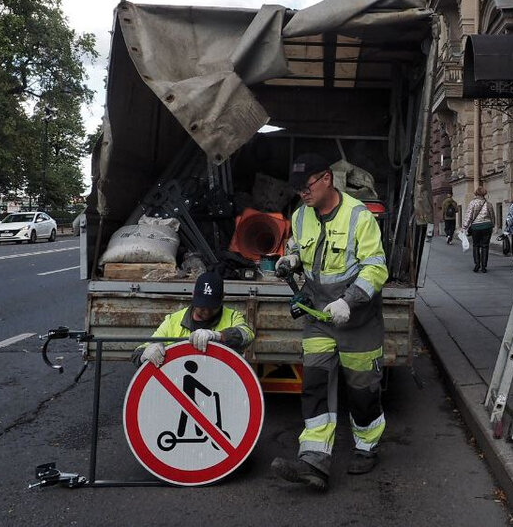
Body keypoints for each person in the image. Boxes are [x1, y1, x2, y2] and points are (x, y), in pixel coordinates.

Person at [271, 153, 388, 492]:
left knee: (362, 390)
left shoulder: (358, 216)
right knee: (315, 384)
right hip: (318, 317)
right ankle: (314, 460)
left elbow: (376, 267)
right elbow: (298, 246)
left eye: (306, 186)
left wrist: (349, 302)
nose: (302, 193)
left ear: (326, 179)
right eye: (297, 188)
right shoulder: (300, 215)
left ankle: (367, 448)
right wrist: (290, 258)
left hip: (358, 321)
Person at [131, 270, 255, 366]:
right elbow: (138, 353)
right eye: (202, 306)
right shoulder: (173, 321)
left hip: (221, 382)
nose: (206, 311)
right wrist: (145, 354)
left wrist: (218, 336)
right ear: (193, 295)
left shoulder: (233, 316)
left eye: (212, 307)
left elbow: (247, 334)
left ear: (223, 297)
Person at [460, 187, 495, 274]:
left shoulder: (472, 203)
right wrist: (492, 225)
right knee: (485, 246)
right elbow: (492, 216)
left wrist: (464, 227)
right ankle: (484, 266)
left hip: (476, 227)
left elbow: (469, 216)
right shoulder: (488, 204)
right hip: (487, 226)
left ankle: (477, 264)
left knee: (476, 245)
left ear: (476, 193)